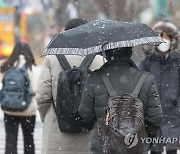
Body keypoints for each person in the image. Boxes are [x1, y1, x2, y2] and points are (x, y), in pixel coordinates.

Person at [36, 18, 104, 154]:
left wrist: (50, 117)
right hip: (88, 137)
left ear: (66, 34)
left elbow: (42, 97)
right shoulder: (99, 60)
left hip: (57, 138)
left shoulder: (52, 58)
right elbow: (103, 100)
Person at [78, 47, 163, 154]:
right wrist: (144, 137)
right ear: (130, 52)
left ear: (107, 54)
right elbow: (156, 118)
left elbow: (85, 114)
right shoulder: (146, 78)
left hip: (103, 147)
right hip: (137, 147)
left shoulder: (94, 77)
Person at [139, 21, 180, 154]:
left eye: (167, 37)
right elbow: (139, 87)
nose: (164, 40)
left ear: (173, 40)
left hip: (173, 117)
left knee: (172, 150)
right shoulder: (147, 62)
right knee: (154, 150)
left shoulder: (177, 62)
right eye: (161, 37)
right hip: (152, 118)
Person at [0, 41, 38, 154]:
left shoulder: (7, 66)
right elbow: (36, 89)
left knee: (10, 141)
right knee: (28, 140)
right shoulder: (32, 68)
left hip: (9, 109)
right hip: (28, 111)